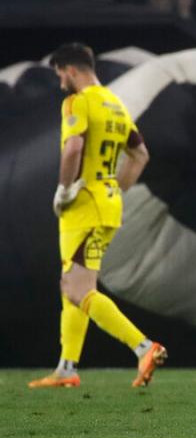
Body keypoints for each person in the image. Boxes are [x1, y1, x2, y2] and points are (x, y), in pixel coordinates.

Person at [29, 43, 167, 389]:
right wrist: (114, 189)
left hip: (83, 206)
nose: (61, 81)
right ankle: (66, 368)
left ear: (71, 70)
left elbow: (74, 147)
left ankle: (144, 346)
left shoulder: (77, 102)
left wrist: (64, 189)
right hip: (106, 202)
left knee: (76, 288)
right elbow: (140, 155)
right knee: (73, 286)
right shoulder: (116, 105)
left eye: (61, 73)